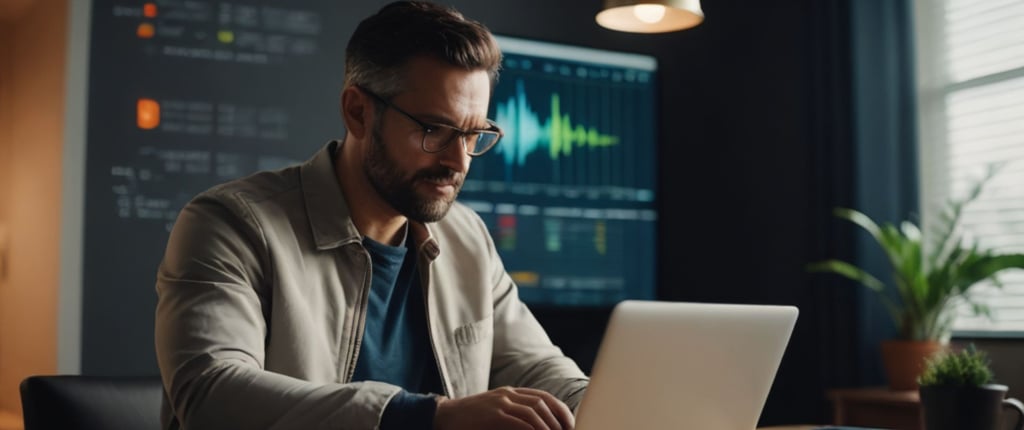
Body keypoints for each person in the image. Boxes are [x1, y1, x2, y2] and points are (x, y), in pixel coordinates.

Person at [153, 1, 589, 429]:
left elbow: (535, 367)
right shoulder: (230, 224)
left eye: (473, 134)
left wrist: (611, 403)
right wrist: (429, 418)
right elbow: (212, 393)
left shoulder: (466, 236)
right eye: (433, 129)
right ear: (358, 112)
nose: (459, 161)